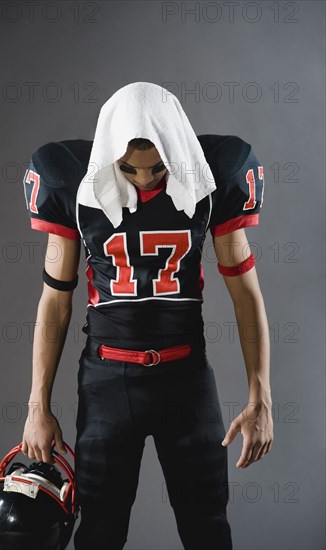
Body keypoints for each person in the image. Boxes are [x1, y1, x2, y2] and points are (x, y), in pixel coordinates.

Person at [21, 82, 273, 550]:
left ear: (177, 150)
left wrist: (262, 399)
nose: (144, 179)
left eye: (158, 168)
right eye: (129, 169)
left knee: (208, 528)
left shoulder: (211, 179)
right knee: (98, 531)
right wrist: (38, 406)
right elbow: (55, 301)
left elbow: (245, 295)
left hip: (186, 377)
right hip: (107, 380)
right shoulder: (75, 184)